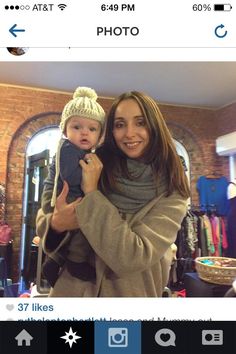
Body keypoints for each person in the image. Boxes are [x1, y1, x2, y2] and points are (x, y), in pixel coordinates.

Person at [36, 90, 190, 297]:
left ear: (154, 126)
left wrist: (91, 193)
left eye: (140, 122)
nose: (129, 133)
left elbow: (133, 256)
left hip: (128, 297)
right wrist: (56, 224)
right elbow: (47, 213)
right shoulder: (96, 163)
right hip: (71, 290)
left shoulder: (172, 190)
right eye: (119, 124)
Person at [41, 86, 105, 286]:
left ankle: (55, 260)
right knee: (83, 234)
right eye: (77, 127)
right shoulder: (69, 149)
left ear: (99, 134)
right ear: (65, 130)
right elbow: (71, 175)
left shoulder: (81, 151)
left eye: (92, 129)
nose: (84, 132)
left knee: (72, 235)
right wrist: (92, 178)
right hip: (68, 198)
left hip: (71, 197)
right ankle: (76, 262)